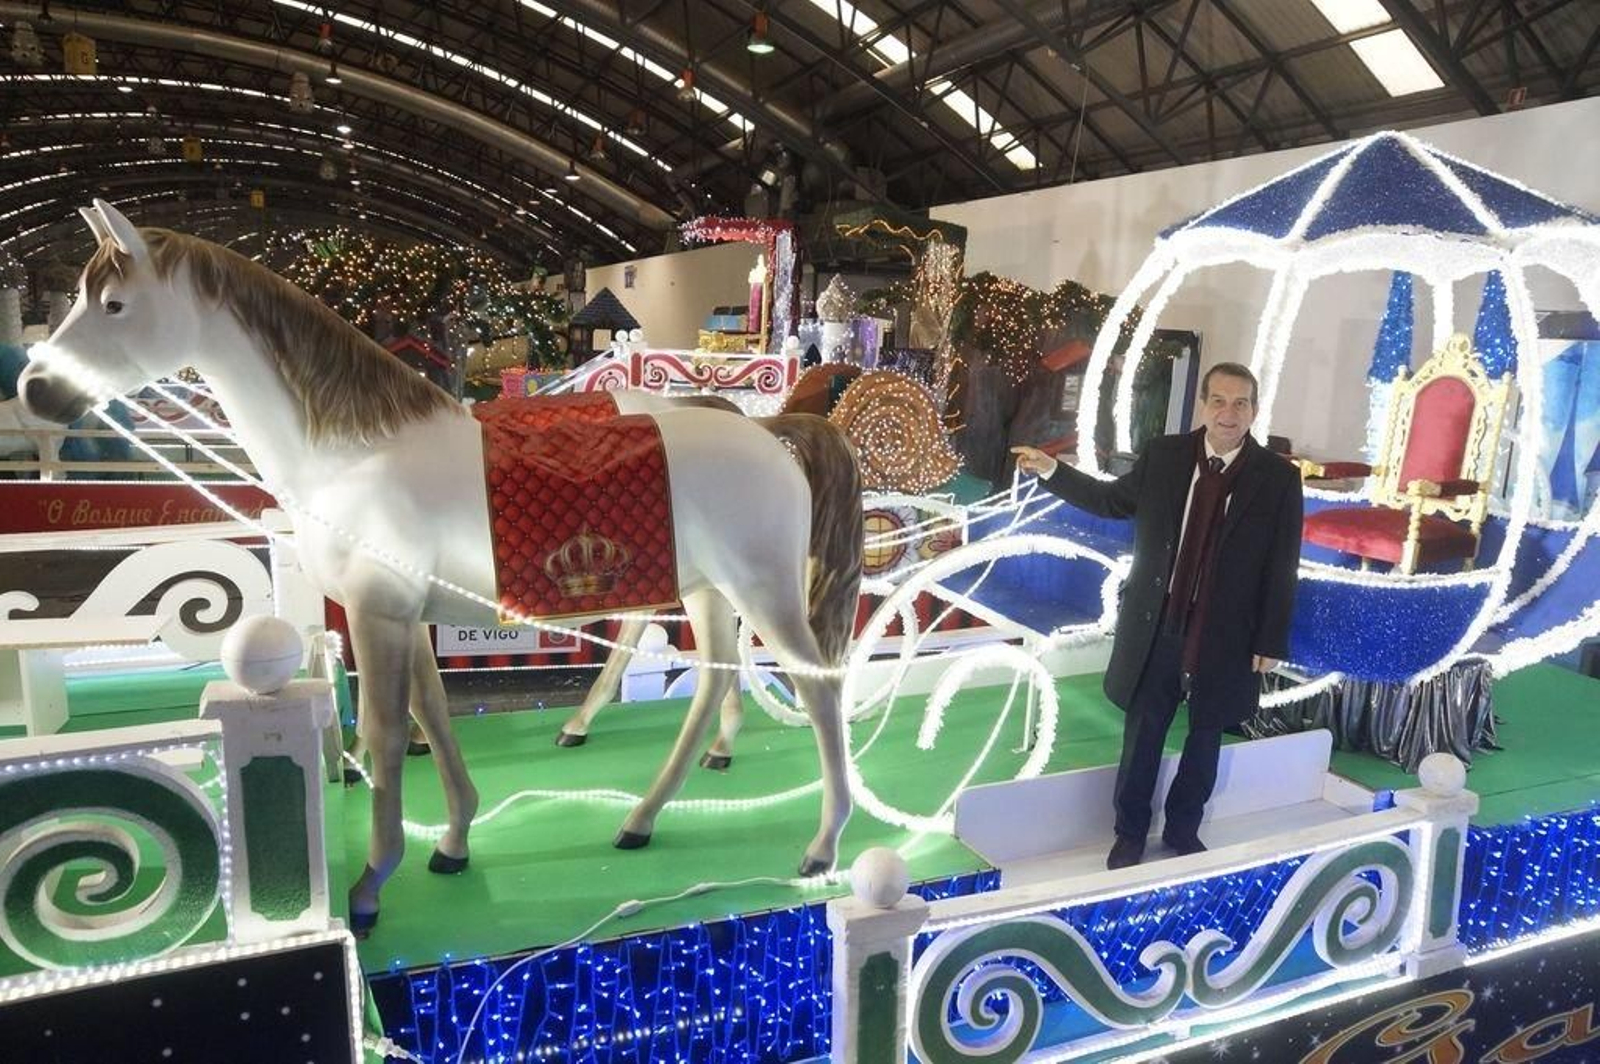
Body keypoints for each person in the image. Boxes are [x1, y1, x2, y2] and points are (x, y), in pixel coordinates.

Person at [1011, 362, 1302, 870]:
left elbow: (1282, 565)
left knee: (1206, 732)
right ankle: (1129, 833)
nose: (1228, 413)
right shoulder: (1166, 455)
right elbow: (1110, 501)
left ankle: (1184, 831)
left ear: (1254, 409)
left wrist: (1270, 639)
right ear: (1203, 405)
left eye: (1241, 403)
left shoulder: (1278, 478)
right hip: (1157, 622)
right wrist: (1052, 471)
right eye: (1219, 400)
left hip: (1227, 631)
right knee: (1144, 730)